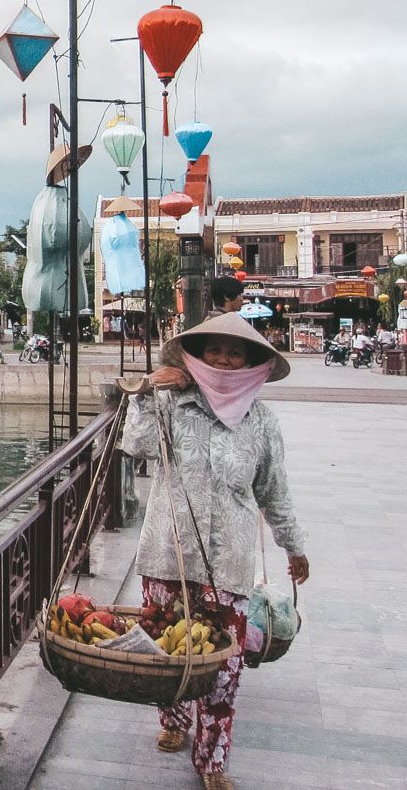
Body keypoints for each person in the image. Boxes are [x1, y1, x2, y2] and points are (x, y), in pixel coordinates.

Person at [120, 313, 308, 789]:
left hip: (230, 563)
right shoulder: (173, 404)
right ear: (197, 356)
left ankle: (213, 760)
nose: (224, 361)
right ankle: (173, 720)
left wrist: (294, 546)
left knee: (223, 666)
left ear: (252, 362)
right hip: (167, 552)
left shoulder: (262, 422)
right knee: (167, 651)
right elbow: (135, 446)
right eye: (214, 352)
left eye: (235, 353)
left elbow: (273, 491)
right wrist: (146, 391)